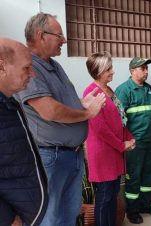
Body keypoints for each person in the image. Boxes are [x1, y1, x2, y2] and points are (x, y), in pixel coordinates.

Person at [15, 13, 106, 226]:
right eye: (59, 35)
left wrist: (81, 103)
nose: (64, 40)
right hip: (51, 157)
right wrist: (87, 114)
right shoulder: (30, 67)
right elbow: (49, 111)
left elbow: (63, 101)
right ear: (41, 35)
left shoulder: (54, 66)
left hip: (71, 156)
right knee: (50, 217)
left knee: (69, 214)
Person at [84, 52, 136, 226]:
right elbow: (100, 129)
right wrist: (122, 145)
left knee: (112, 194)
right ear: (99, 71)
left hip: (114, 151)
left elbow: (120, 119)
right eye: (109, 68)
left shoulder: (109, 90)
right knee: (104, 197)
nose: (113, 71)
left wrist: (129, 138)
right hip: (103, 152)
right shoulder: (91, 92)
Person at [0, 38, 48, 225]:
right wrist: (7, 218)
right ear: (2, 67)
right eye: (26, 68)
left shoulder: (9, 104)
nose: (33, 74)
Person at [115, 57, 151, 224]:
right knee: (134, 177)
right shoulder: (124, 90)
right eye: (143, 68)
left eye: (147, 68)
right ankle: (132, 211)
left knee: (148, 176)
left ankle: (144, 205)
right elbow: (119, 120)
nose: (146, 71)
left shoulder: (150, 89)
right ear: (132, 71)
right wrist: (127, 142)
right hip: (135, 144)